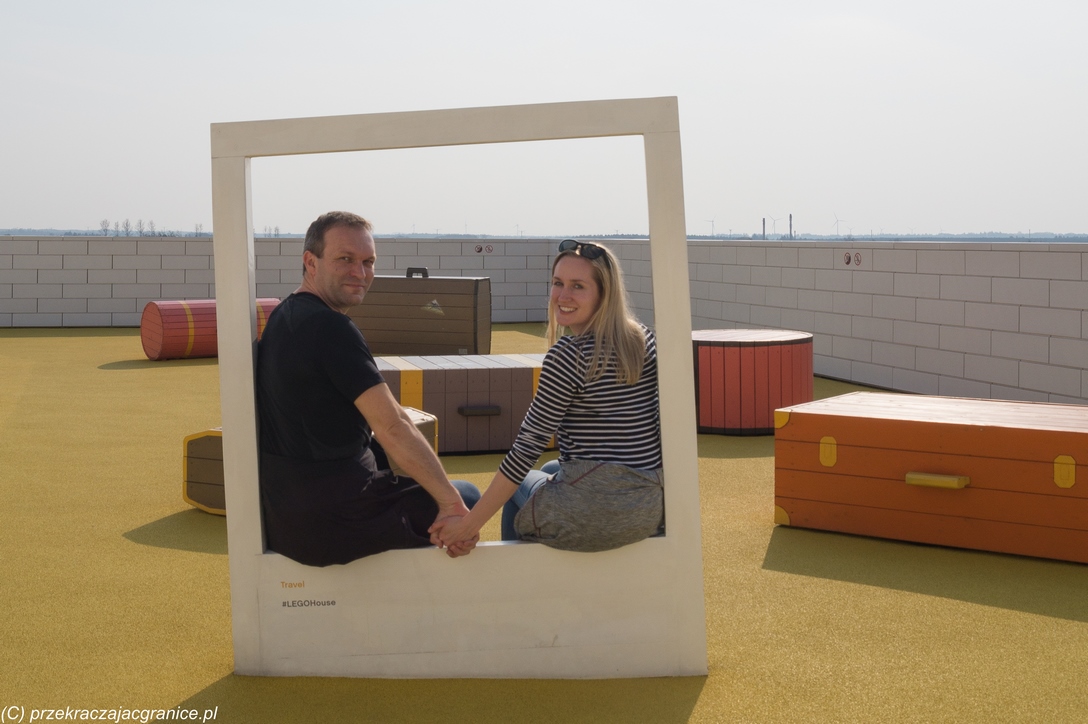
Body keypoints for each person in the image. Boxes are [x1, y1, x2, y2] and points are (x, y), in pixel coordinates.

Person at [256, 211, 480, 566]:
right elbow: (392, 425)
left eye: (368, 262)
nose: (360, 273)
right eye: (345, 259)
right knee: (466, 498)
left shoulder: (284, 316)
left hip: (292, 513)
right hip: (335, 521)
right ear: (310, 262)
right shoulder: (330, 328)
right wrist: (451, 504)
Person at [431, 239, 663, 553]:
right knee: (554, 468)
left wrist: (469, 525)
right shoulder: (644, 340)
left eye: (578, 286)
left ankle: (517, 574)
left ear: (604, 294)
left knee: (523, 484)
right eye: (557, 283)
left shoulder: (569, 356)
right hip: (645, 509)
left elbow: (527, 448)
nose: (563, 296)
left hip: (592, 514)